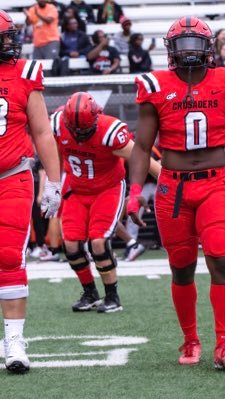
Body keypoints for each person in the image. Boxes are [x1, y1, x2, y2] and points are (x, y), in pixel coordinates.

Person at [128, 16, 225, 371]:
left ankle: (224, 344)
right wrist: (135, 192)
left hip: (216, 182)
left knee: (220, 257)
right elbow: (141, 146)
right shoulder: (155, 85)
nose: (189, 52)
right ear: (171, 50)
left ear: (209, 48)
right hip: (173, 187)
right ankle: (190, 339)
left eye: (195, 44)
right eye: (182, 45)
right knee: (181, 268)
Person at [50, 92, 160, 313]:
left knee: (98, 242)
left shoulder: (108, 130)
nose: (80, 134)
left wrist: (169, 182)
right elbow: (51, 151)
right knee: (70, 244)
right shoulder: (57, 123)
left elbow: (140, 157)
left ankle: (112, 296)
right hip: (77, 189)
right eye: (75, 129)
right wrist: (51, 184)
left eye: (85, 129)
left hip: (106, 189)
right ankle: (90, 292)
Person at [0, 10, 61, 373]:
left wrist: (52, 181)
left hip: (12, 175)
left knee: (9, 255)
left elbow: (42, 132)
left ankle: (14, 340)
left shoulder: (24, 73)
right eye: (4, 37)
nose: (11, 43)